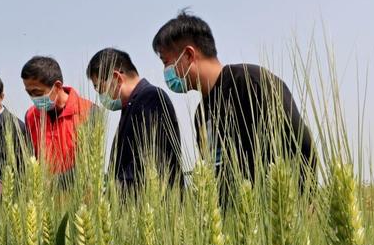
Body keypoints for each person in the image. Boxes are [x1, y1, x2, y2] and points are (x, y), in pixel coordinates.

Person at [152, 11, 315, 193]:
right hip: (232, 219)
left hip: (273, 213)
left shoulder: (252, 83)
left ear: (189, 55)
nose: (166, 71)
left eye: (167, 62)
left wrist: (305, 206)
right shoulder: (201, 113)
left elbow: (302, 147)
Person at [87, 48, 182, 190]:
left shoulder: (150, 98)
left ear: (117, 78)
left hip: (153, 206)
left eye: (100, 88)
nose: (101, 96)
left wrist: (111, 197)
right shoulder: (130, 106)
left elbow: (148, 162)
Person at [21, 56, 94, 177]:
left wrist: (55, 183)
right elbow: (31, 160)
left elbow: (89, 165)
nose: (34, 98)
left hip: (82, 195)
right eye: (29, 93)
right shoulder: (30, 116)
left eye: (38, 93)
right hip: (42, 194)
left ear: (58, 86)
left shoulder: (89, 112)